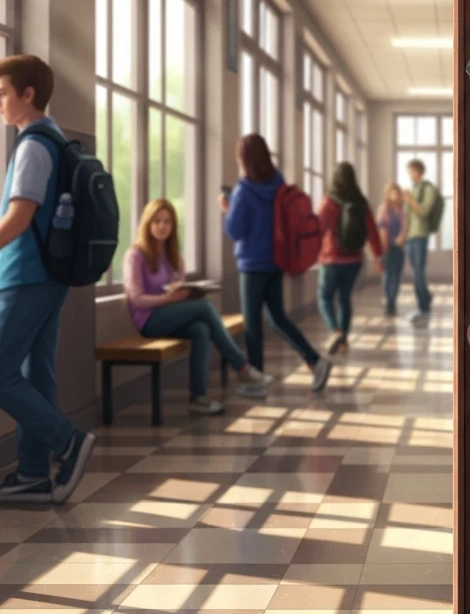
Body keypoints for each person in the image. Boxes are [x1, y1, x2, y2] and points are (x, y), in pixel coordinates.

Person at [0, 55, 97, 504]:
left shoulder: (33, 146)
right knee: (37, 374)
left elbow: (18, 218)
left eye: (3, 93)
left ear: (28, 94)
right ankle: (34, 473)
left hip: (26, 276)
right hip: (47, 277)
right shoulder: (54, 139)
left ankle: (68, 441)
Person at [124, 198, 271, 416]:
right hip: (148, 320)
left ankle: (198, 397)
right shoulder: (135, 255)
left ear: (173, 226)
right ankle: (241, 366)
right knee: (204, 307)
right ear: (147, 224)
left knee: (201, 330)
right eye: (157, 221)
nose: (162, 226)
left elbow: (178, 290)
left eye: (167, 221)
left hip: (171, 314)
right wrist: (167, 299)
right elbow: (135, 298)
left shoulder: (174, 256)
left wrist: (188, 293)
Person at [219, 133, 330, 393]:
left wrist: (227, 207)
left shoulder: (243, 191)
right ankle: (315, 361)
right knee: (277, 317)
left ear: (243, 159)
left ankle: (258, 379)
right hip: (275, 261)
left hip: (252, 265)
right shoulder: (278, 184)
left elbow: (235, 230)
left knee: (252, 324)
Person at [317, 162, 383, 354]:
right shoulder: (361, 202)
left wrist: (309, 254)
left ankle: (335, 331)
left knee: (324, 297)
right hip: (354, 260)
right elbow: (372, 231)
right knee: (344, 298)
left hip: (331, 259)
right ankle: (343, 342)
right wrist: (377, 257)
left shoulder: (329, 202)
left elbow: (318, 229)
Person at [403, 158, 437, 326]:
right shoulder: (415, 188)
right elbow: (408, 215)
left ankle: (424, 307)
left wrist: (410, 200)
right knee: (415, 272)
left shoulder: (428, 188)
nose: (409, 175)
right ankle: (426, 298)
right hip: (411, 236)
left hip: (420, 236)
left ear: (418, 171)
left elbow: (424, 211)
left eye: (411, 172)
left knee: (418, 273)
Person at [376, 182, 406, 317]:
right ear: (387, 194)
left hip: (399, 248)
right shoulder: (383, 209)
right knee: (387, 277)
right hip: (387, 248)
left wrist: (401, 238)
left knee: (397, 277)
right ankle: (389, 304)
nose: (395, 195)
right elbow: (381, 228)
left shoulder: (401, 211)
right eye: (392, 192)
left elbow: (405, 228)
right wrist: (383, 248)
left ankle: (392, 302)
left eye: (397, 192)